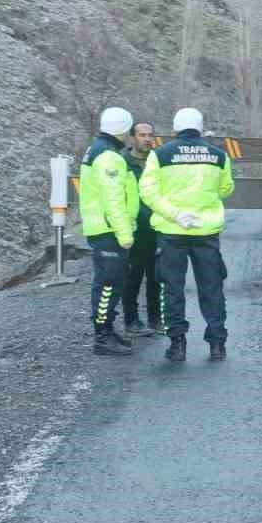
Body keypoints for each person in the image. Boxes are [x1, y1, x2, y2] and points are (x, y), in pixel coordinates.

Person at [139, 107, 236, 361]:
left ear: (175, 128)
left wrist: (175, 213)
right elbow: (226, 189)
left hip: (172, 232)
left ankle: (177, 344)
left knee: (172, 288)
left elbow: (148, 192)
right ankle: (217, 344)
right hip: (206, 232)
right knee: (212, 288)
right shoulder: (218, 155)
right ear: (201, 127)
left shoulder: (159, 155)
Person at [78, 107, 138, 357]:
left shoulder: (97, 149)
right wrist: (124, 233)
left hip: (103, 227)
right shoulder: (109, 157)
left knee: (109, 283)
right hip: (109, 230)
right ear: (123, 129)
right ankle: (102, 336)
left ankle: (107, 330)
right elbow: (113, 198)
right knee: (108, 285)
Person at [121, 120, 162, 338]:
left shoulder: (158, 160)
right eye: (142, 135)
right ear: (132, 137)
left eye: (150, 135)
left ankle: (156, 319)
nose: (147, 139)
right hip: (134, 229)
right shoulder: (123, 162)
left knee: (156, 276)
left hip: (157, 226)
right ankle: (131, 320)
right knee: (133, 276)